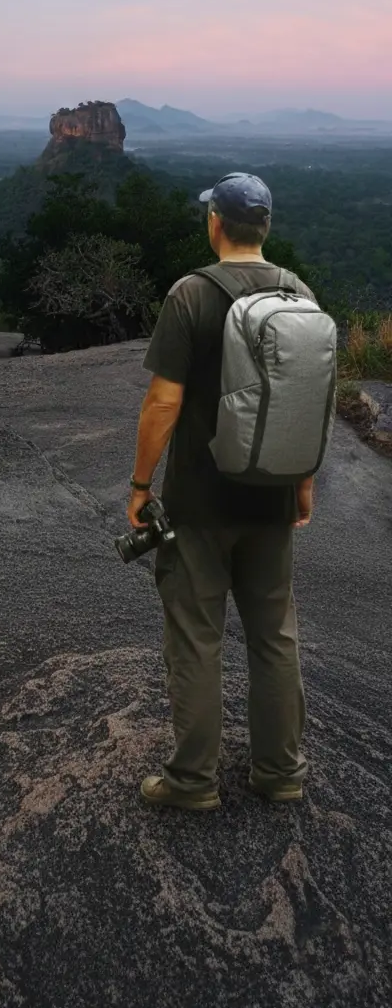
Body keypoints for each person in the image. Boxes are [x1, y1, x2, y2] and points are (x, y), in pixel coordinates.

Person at [128, 172, 315, 811]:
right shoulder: (298, 293)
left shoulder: (191, 295)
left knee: (197, 639)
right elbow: (304, 403)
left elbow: (162, 404)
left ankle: (192, 782)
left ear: (215, 224)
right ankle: (280, 773)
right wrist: (302, 485)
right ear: (265, 227)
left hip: (200, 505)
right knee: (274, 638)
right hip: (273, 497)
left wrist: (139, 485)